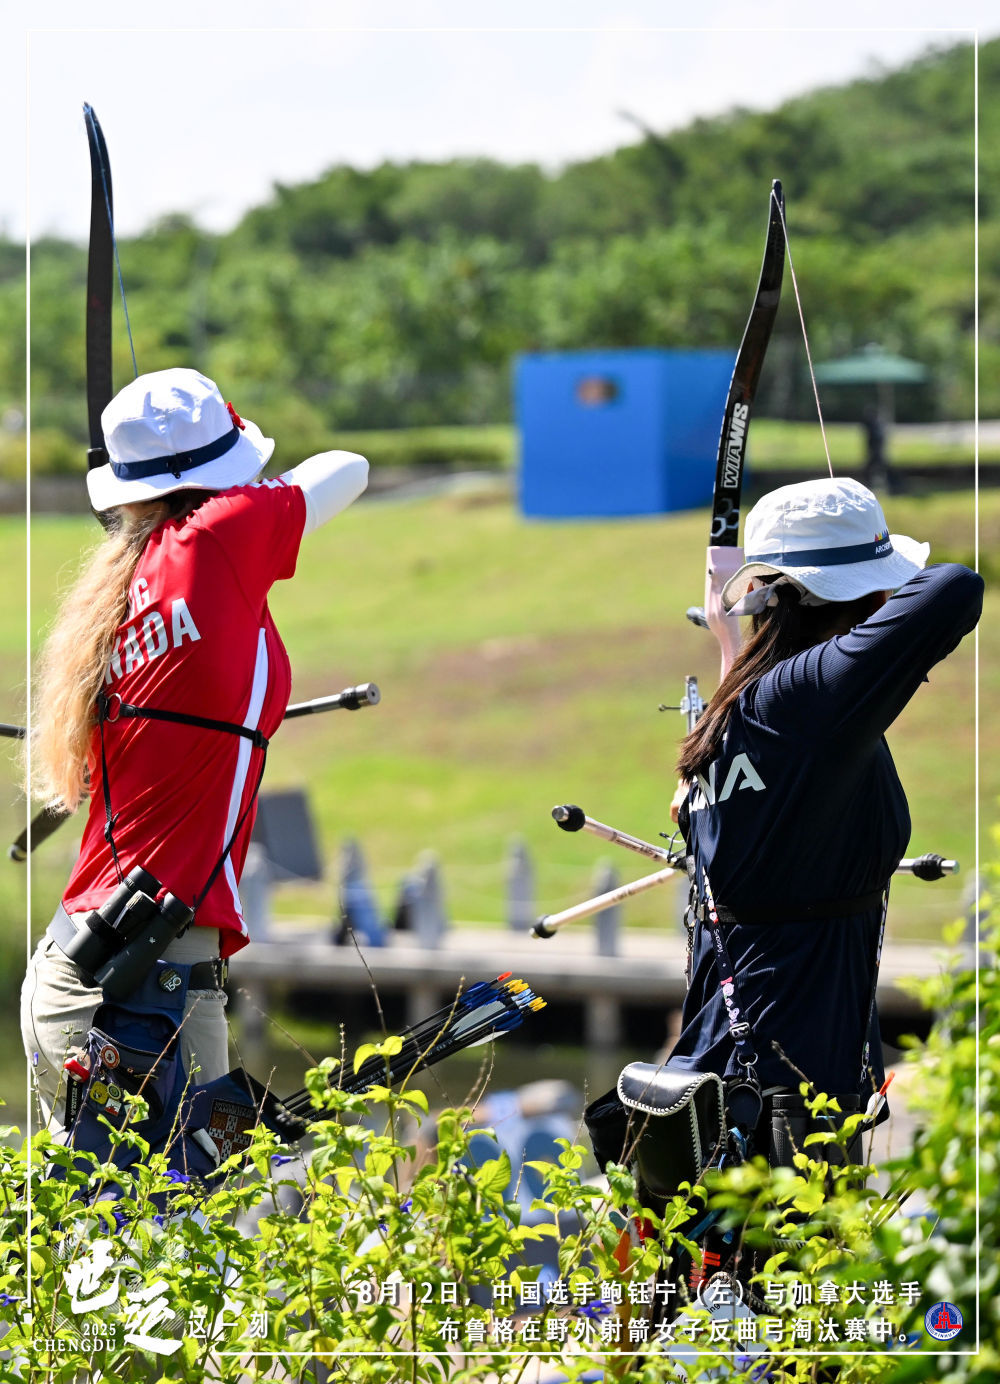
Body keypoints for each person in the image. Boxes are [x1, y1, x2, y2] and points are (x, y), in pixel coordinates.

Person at [21, 367, 369, 1134]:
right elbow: (349, 467)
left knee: (142, 1204)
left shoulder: (131, 577)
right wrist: (239, 473)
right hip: (142, 985)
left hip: (94, 972)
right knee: (182, 1206)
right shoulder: (216, 534)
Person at [668, 476, 983, 1164]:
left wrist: (734, 639)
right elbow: (955, 586)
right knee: (795, 1235)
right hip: (786, 1083)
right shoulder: (804, 698)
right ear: (858, 598)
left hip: (736, 1069)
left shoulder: (746, 710)